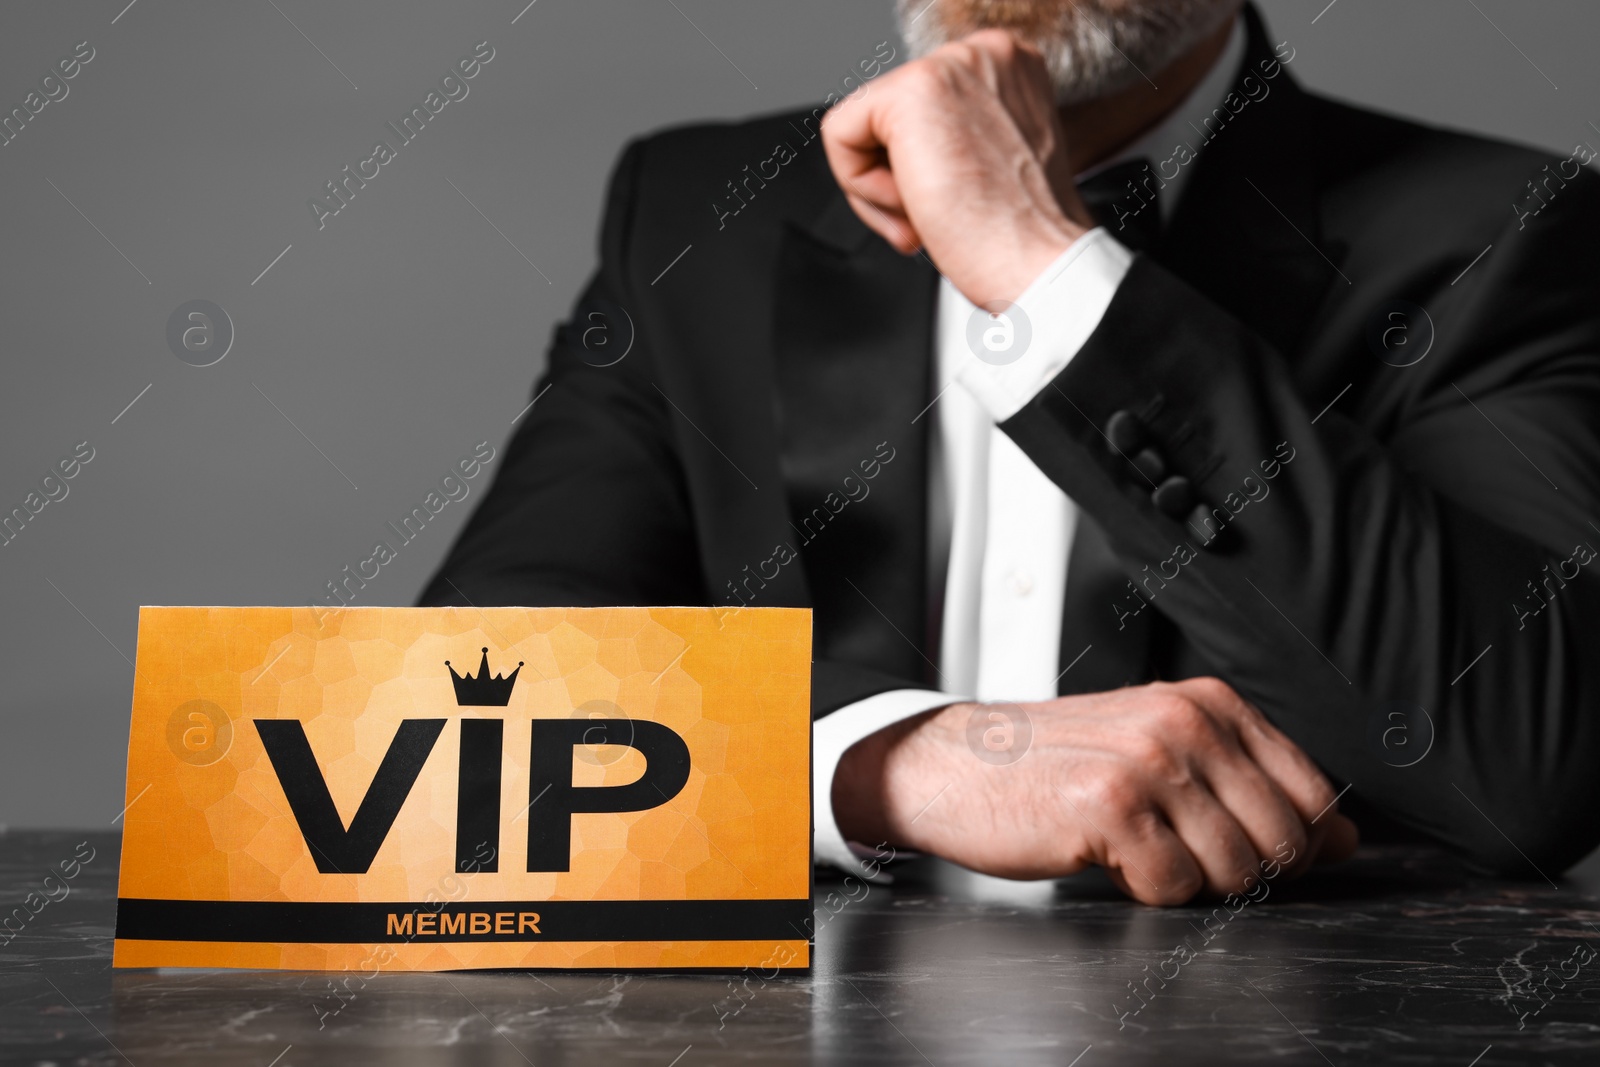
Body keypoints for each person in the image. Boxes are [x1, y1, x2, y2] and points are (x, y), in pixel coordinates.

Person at [421, 0, 1600, 904]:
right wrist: (878, 766)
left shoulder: (1506, 230)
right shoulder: (691, 212)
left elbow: (1528, 765)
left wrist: (1043, 263)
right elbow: (438, 733)